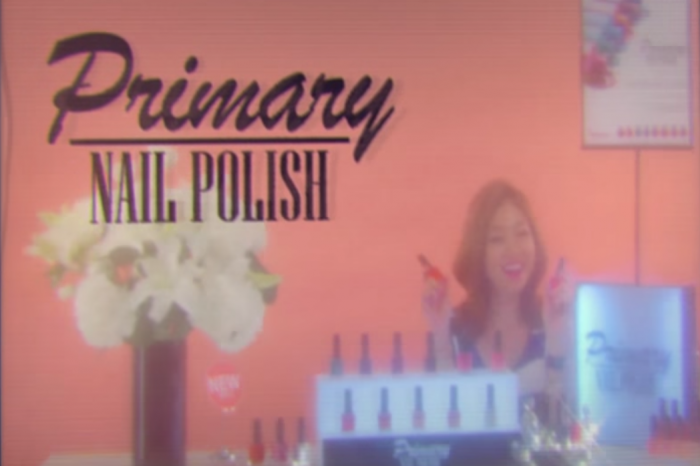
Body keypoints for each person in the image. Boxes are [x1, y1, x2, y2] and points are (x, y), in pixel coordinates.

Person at [422, 179, 573, 401]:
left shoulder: (553, 320)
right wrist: (442, 337)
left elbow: (565, 413)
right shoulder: (455, 329)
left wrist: (558, 342)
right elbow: (440, 411)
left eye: (522, 233)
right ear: (478, 253)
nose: (513, 250)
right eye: (497, 239)